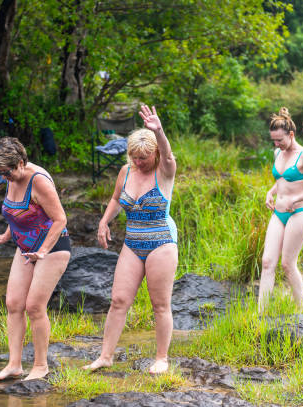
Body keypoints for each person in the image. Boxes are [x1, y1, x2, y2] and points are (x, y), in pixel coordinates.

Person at [83, 104, 178, 375]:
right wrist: (104, 221)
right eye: (135, 157)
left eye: (144, 158)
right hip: (133, 242)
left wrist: (158, 131)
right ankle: (105, 356)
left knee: (160, 304)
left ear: (155, 154)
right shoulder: (126, 172)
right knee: (118, 300)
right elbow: (115, 199)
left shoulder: (164, 170)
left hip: (161, 241)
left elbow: (169, 156)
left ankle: (161, 358)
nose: (139, 162)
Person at [0, 137, 71, 381]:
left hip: (52, 247)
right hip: (24, 247)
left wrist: (42, 251)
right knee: (13, 303)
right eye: (0, 173)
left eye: (7, 172)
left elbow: (60, 219)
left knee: (34, 306)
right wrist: (6, 234)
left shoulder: (38, 181)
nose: (4, 178)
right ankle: (14, 364)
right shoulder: (12, 177)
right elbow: (17, 211)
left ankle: (41, 366)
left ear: (21, 162)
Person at [259, 107, 303, 313]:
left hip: (298, 213)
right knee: (267, 262)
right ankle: (260, 316)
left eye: (280, 140)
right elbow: (281, 179)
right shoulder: (278, 152)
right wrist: (270, 192)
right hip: (278, 213)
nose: (276, 144)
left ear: (291, 134)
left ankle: (299, 312)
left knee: (288, 264)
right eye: (274, 140)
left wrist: (297, 197)